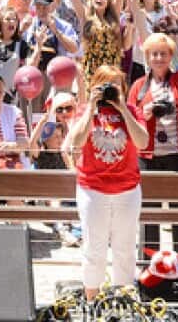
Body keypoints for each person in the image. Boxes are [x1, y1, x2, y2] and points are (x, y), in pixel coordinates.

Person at [126, 8, 178, 263]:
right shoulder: (139, 87)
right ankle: (149, 264)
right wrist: (144, 113)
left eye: (163, 54)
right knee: (148, 214)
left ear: (171, 56)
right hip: (148, 157)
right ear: (147, 58)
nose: (159, 58)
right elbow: (129, 118)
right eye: (154, 54)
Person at [65, 66, 149, 297]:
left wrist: (122, 107)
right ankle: (91, 302)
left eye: (115, 85)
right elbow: (76, 142)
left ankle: (123, 300)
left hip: (127, 190)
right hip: (93, 190)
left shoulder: (131, 110)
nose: (110, 91)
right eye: (105, 85)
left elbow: (142, 142)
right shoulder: (84, 110)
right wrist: (91, 107)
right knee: (94, 249)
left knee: (125, 250)